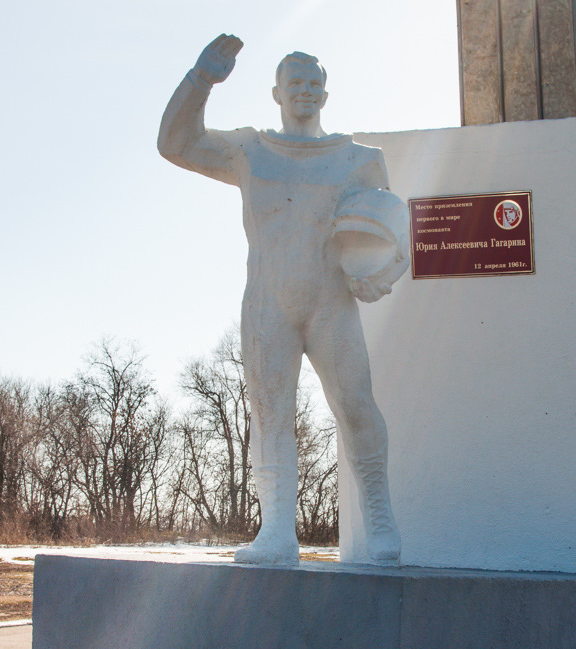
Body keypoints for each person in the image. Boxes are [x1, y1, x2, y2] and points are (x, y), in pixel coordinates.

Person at [158, 34, 407, 566]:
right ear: (276, 92)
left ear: (326, 94)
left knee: (356, 407)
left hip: (330, 305)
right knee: (270, 414)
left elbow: (388, 237)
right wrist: (202, 79)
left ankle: (380, 518)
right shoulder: (251, 151)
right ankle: (276, 530)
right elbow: (175, 143)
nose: (305, 90)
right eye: (295, 82)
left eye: (315, 83)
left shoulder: (358, 160)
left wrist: (377, 275)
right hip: (268, 305)